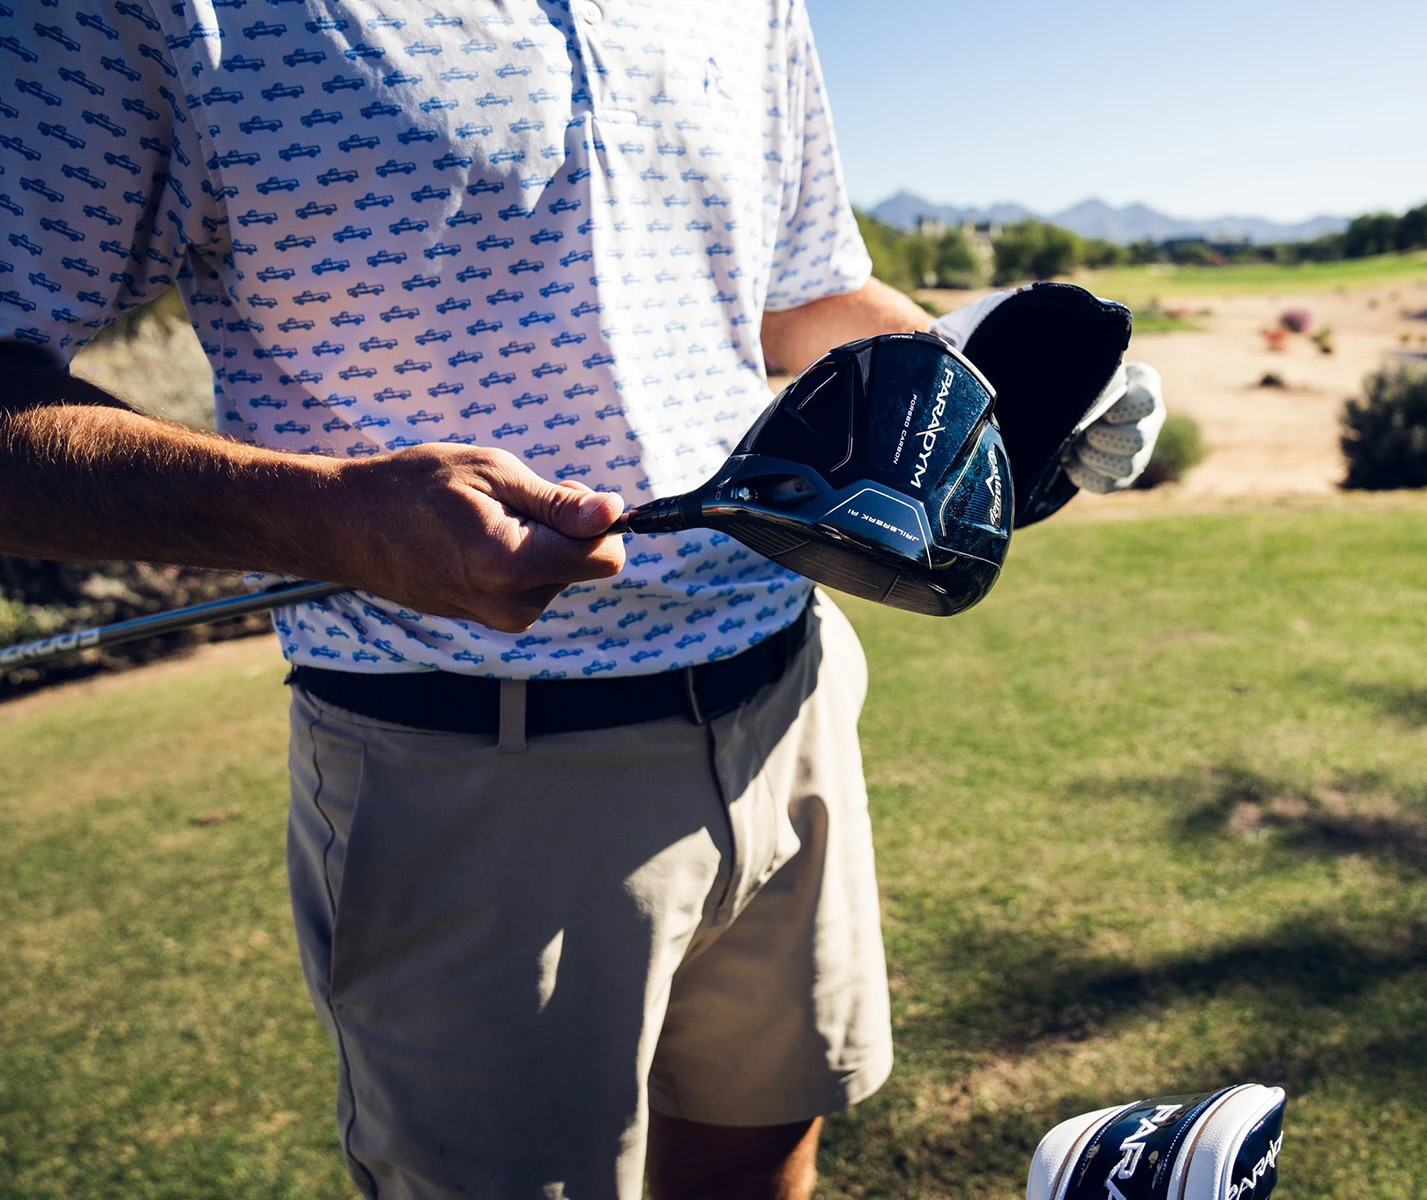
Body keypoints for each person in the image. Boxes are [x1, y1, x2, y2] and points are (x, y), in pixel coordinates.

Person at [0, 3, 1163, 1197]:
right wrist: (328, 515)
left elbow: (799, 297)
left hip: (791, 703)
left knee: (762, 1159)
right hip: (469, 766)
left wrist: (980, 391)